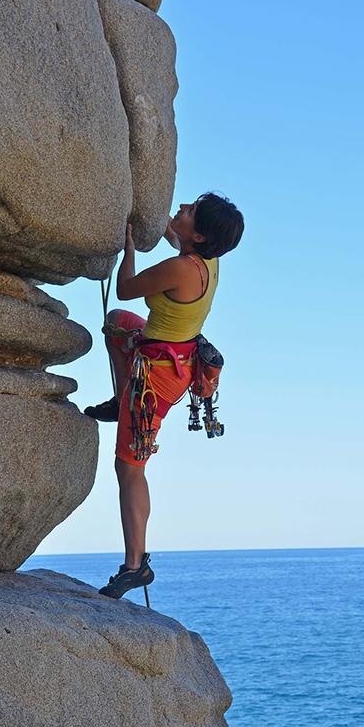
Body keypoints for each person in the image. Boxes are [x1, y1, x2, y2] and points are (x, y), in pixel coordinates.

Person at [85, 192, 244, 599]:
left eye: (190, 212)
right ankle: (119, 400)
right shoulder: (206, 259)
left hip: (156, 376)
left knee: (130, 468)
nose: (183, 209)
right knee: (116, 325)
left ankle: (135, 566)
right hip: (174, 355)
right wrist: (160, 216)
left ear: (203, 235)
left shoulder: (180, 269)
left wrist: (129, 248)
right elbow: (177, 236)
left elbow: (125, 288)